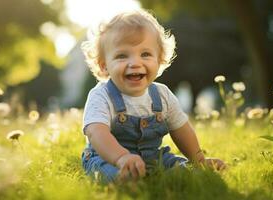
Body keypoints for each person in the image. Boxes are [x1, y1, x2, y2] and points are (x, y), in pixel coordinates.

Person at [81, 9, 226, 183]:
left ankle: (185, 174)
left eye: (145, 54)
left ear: (159, 59)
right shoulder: (101, 95)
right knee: (110, 173)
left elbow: (181, 129)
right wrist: (121, 158)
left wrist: (199, 160)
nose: (135, 63)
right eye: (122, 56)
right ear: (104, 66)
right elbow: (97, 133)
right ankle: (124, 180)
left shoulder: (162, 95)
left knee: (179, 168)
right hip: (108, 158)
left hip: (153, 157)